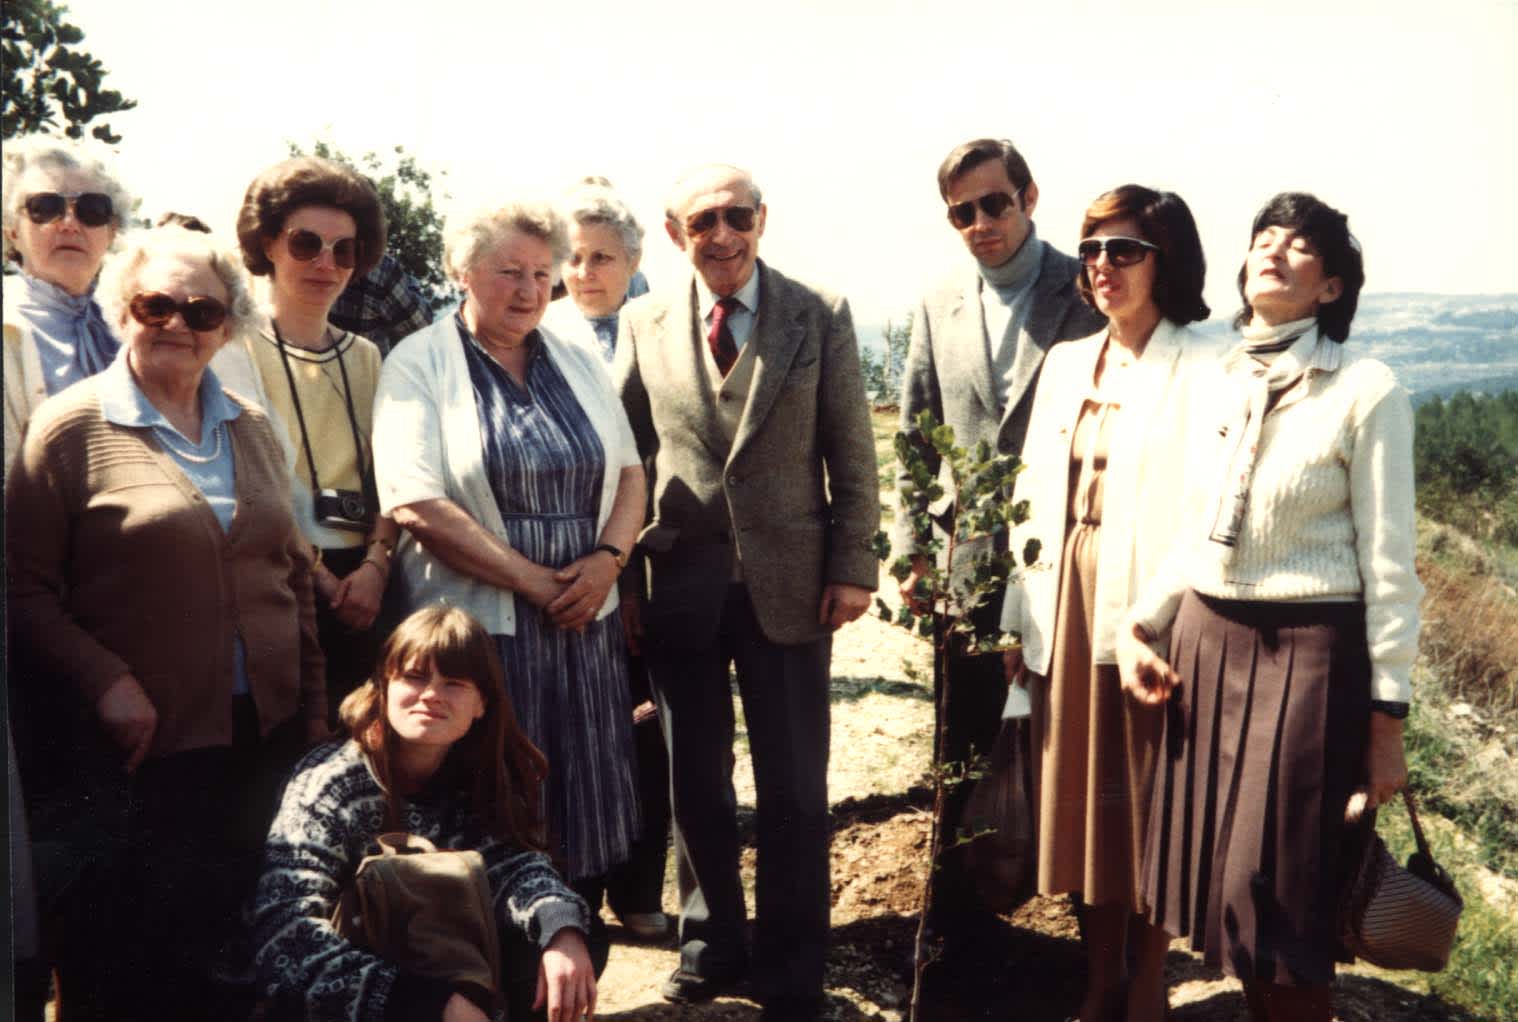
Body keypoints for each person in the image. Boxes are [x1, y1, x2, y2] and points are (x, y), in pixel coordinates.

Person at [5, 226, 326, 1020]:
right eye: (156, 304)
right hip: (141, 748)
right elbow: (21, 588)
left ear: (228, 325)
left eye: (202, 309)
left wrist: (314, 713)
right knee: (135, 961)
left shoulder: (251, 423)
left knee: (243, 950)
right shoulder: (70, 427)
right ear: (122, 309)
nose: (178, 322)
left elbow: (292, 575)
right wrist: (105, 680)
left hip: (265, 736)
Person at [1117, 193, 1420, 1022]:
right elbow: (1197, 530)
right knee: (1226, 888)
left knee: (1281, 897)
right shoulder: (1215, 375)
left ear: (1331, 287)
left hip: (1310, 658)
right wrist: (1142, 623)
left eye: (1300, 244)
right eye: (1264, 237)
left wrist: (1386, 719)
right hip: (1207, 644)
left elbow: (1391, 566)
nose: (1274, 250)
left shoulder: (1365, 389)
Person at [615, 163, 880, 1022]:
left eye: (736, 216)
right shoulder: (644, 320)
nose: (721, 234)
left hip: (794, 586)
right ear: (674, 233)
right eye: (703, 222)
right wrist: (623, 582)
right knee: (697, 779)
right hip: (678, 585)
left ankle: (794, 963)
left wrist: (853, 565)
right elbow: (629, 460)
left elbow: (854, 450)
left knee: (797, 788)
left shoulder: (819, 312)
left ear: (763, 220)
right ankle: (711, 943)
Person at [373, 199, 646, 968]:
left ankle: (576, 965)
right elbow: (416, 498)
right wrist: (531, 581)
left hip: (581, 618)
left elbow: (631, 471)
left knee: (582, 793)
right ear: (462, 272)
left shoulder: (576, 355)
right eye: (508, 272)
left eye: (540, 273)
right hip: (484, 628)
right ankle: (494, 982)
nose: (528, 290)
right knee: (495, 801)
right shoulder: (418, 361)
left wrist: (608, 563)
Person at [999, 185, 1213, 1022]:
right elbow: (1029, 493)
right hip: (1064, 598)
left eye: (1124, 250)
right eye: (1091, 250)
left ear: (1168, 261)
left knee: (1149, 802)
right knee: (1084, 808)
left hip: (1153, 610)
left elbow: (1207, 505)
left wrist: (1161, 617)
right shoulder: (1064, 362)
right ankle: (1098, 981)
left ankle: (1150, 980)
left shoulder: (1204, 364)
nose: (1102, 267)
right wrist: (1017, 619)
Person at [893, 137, 1105, 950]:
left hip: (1073, 561)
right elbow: (917, 433)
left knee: (1078, 748)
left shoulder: (1085, 287)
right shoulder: (938, 301)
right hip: (970, 565)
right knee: (966, 741)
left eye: (993, 204)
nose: (979, 224)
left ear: (1030, 197)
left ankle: (1098, 933)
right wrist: (915, 548)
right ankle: (961, 923)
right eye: (961, 213)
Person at [254, 605, 596, 1022]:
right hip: (363, 984)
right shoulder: (331, 782)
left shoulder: (479, 770)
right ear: (384, 686)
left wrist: (562, 930)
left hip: (436, 959)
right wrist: (428, 1005)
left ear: (481, 704)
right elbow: (285, 934)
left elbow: (513, 864)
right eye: (415, 677)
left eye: (453, 683)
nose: (431, 694)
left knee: (560, 940)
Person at [214, 156, 400, 720]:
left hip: (367, 580)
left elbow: (393, 473)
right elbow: (247, 478)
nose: (327, 263)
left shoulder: (366, 356)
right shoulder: (232, 347)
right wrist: (321, 577)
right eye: (306, 244)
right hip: (284, 577)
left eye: (344, 250)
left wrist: (376, 565)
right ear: (267, 244)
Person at [544, 181, 674, 942]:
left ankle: (638, 886)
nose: (585, 272)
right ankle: (572, 886)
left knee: (648, 729)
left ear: (634, 259)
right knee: (578, 728)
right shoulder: (543, 329)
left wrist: (631, 577)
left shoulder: (656, 328)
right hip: (569, 563)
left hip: (649, 564)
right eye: (573, 257)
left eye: (603, 257)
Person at [3, 135, 133, 472]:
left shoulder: (139, 320)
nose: (70, 224)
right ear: (12, 230)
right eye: (45, 208)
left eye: (92, 210)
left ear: (112, 231)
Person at [329, 250, 435, 356]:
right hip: (368, 370)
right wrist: (409, 282)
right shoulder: (379, 267)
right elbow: (421, 325)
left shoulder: (315, 259)